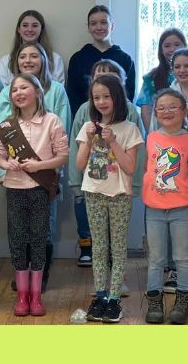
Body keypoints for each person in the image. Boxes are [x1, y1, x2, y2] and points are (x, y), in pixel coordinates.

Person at [0, 74, 68, 317]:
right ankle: (22, 296)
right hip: (14, 187)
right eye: (14, 89)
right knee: (17, 238)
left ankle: (36, 296)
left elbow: (62, 156)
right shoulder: (7, 125)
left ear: (37, 91)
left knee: (38, 237)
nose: (18, 92)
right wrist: (8, 164)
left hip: (39, 188)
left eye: (24, 87)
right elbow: (0, 158)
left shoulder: (52, 121)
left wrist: (40, 166)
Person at [73, 74, 143, 323]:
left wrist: (112, 141)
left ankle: (115, 298)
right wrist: (90, 139)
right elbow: (80, 164)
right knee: (99, 247)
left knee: (118, 246)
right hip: (93, 193)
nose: (101, 101)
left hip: (120, 195)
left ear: (117, 98)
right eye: (96, 97)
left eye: (106, 96)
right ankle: (101, 296)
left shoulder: (129, 129)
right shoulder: (87, 128)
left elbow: (130, 167)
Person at [140, 88, 188, 324]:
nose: (167, 111)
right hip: (154, 208)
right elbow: (148, 168)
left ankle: (183, 298)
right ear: (155, 112)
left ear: (184, 111)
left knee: (183, 257)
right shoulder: (151, 137)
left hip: (182, 209)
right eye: (161, 107)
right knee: (156, 258)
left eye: (173, 107)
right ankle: (154, 299)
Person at [66, 5, 136, 108]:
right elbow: (73, 96)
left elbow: (128, 95)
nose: (99, 27)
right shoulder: (77, 59)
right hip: (86, 118)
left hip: (118, 119)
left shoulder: (126, 60)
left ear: (112, 25)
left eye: (104, 22)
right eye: (93, 23)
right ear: (89, 27)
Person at [0, 10, 67, 86]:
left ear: (41, 29)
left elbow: (59, 91)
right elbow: (1, 92)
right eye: (25, 25)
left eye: (35, 25)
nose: (30, 29)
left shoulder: (55, 59)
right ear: (19, 29)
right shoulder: (4, 62)